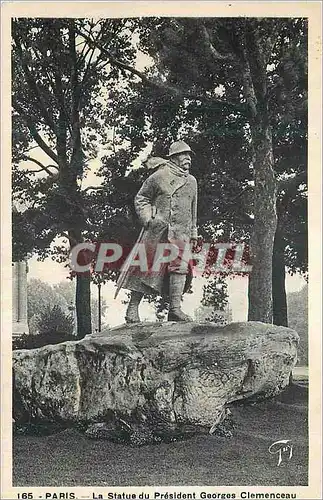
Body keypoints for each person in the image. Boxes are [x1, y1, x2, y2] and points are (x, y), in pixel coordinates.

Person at [122, 140, 198, 323]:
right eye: (183, 154)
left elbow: (194, 209)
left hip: (181, 233)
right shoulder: (159, 176)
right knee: (144, 269)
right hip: (159, 231)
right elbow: (141, 197)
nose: (187, 158)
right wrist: (148, 218)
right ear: (173, 157)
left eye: (189, 155)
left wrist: (194, 232)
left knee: (179, 269)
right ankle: (132, 309)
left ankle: (175, 309)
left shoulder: (192, 181)